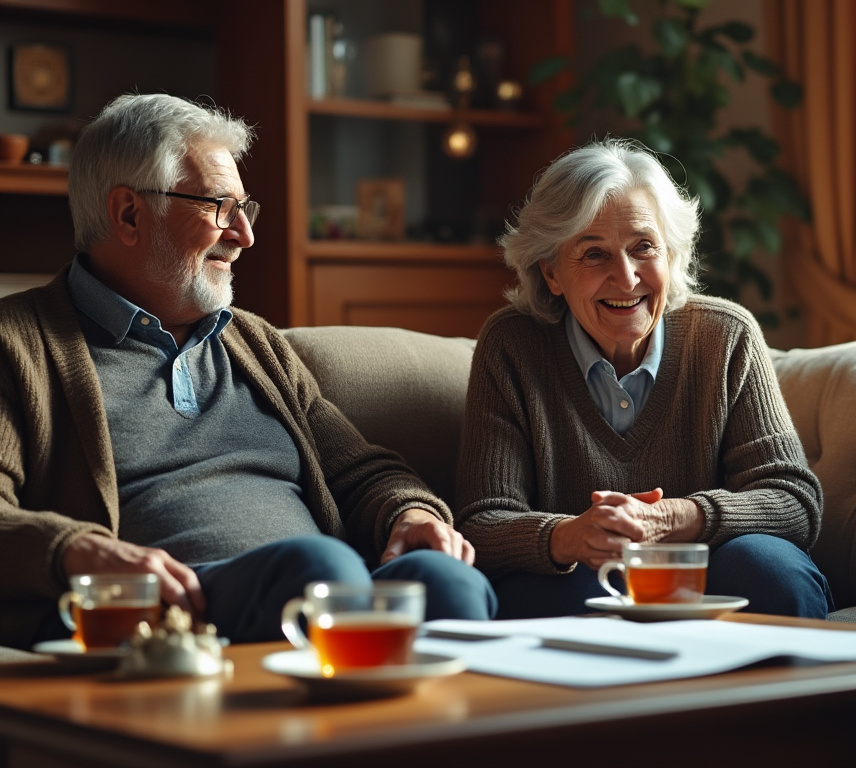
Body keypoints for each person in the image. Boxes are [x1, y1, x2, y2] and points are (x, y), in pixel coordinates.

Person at [0, 94, 495, 650]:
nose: (244, 234)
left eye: (245, 208)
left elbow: (361, 471)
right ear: (129, 214)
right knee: (318, 569)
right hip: (166, 619)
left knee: (448, 581)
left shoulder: (252, 342)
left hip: (326, 586)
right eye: (217, 206)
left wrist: (409, 512)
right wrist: (75, 550)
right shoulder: (18, 345)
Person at [454, 138, 832, 619]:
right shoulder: (512, 345)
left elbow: (793, 500)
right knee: (575, 591)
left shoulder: (726, 336)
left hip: (705, 578)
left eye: (643, 247)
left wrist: (675, 518)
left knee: (767, 567)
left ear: (671, 255)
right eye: (594, 254)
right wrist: (569, 536)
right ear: (551, 274)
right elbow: (480, 521)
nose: (627, 277)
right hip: (577, 580)